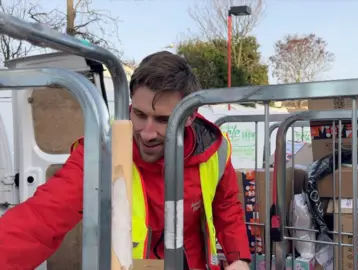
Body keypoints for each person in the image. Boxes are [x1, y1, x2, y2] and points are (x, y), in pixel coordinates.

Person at [0, 51, 251, 270]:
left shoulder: (215, 150)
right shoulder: (102, 150)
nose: (147, 132)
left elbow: (227, 208)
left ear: (190, 117)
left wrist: (239, 258)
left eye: (164, 120)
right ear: (130, 105)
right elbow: (42, 217)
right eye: (139, 114)